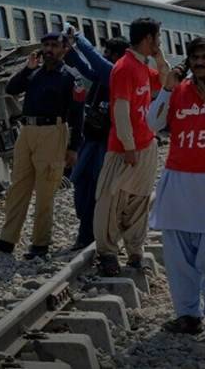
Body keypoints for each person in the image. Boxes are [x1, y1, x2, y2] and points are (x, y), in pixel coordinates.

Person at [147, 37, 205, 349]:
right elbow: (152, 124)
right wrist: (166, 89)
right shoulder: (178, 91)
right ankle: (188, 316)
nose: (199, 63)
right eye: (194, 57)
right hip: (179, 184)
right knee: (179, 259)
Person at [0, 31, 85, 260]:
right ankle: (7, 241)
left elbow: (78, 116)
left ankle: (40, 244)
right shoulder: (34, 74)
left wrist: (74, 147)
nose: (49, 49)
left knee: (45, 192)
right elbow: (11, 89)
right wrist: (28, 68)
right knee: (18, 187)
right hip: (27, 132)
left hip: (52, 132)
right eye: (46, 45)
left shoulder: (70, 78)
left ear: (64, 49)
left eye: (54, 46)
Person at [92, 18, 169, 276]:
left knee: (139, 200)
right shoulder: (124, 67)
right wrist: (128, 145)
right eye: (157, 38)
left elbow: (167, 82)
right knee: (111, 199)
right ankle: (108, 254)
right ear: (148, 38)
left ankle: (135, 251)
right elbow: (121, 109)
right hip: (126, 147)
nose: (159, 42)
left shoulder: (142, 66)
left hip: (146, 144)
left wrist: (160, 58)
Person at [62, 24, 130, 250]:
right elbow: (87, 69)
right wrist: (69, 51)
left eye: (110, 53)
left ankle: (89, 236)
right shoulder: (103, 78)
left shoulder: (116, 75)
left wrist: (79, 39)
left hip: (105, 143)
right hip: (90, 139)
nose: (105, 56)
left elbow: (97, 65)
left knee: (96, 189)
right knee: (81, 184)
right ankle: (87, 231)